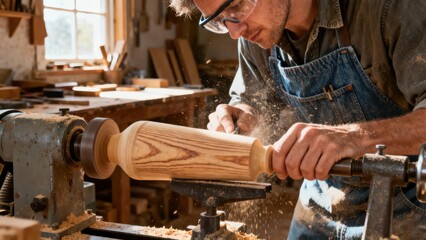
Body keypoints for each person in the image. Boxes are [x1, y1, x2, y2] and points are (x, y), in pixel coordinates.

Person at [169, 0, 426, 239]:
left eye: (237, 5)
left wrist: (354, 137)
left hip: (410, 198)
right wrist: (243, 115)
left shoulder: (390, 8)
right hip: (322, 197)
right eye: (219, 20)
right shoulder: (255, 34)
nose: (235, 31)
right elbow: (254, 99)